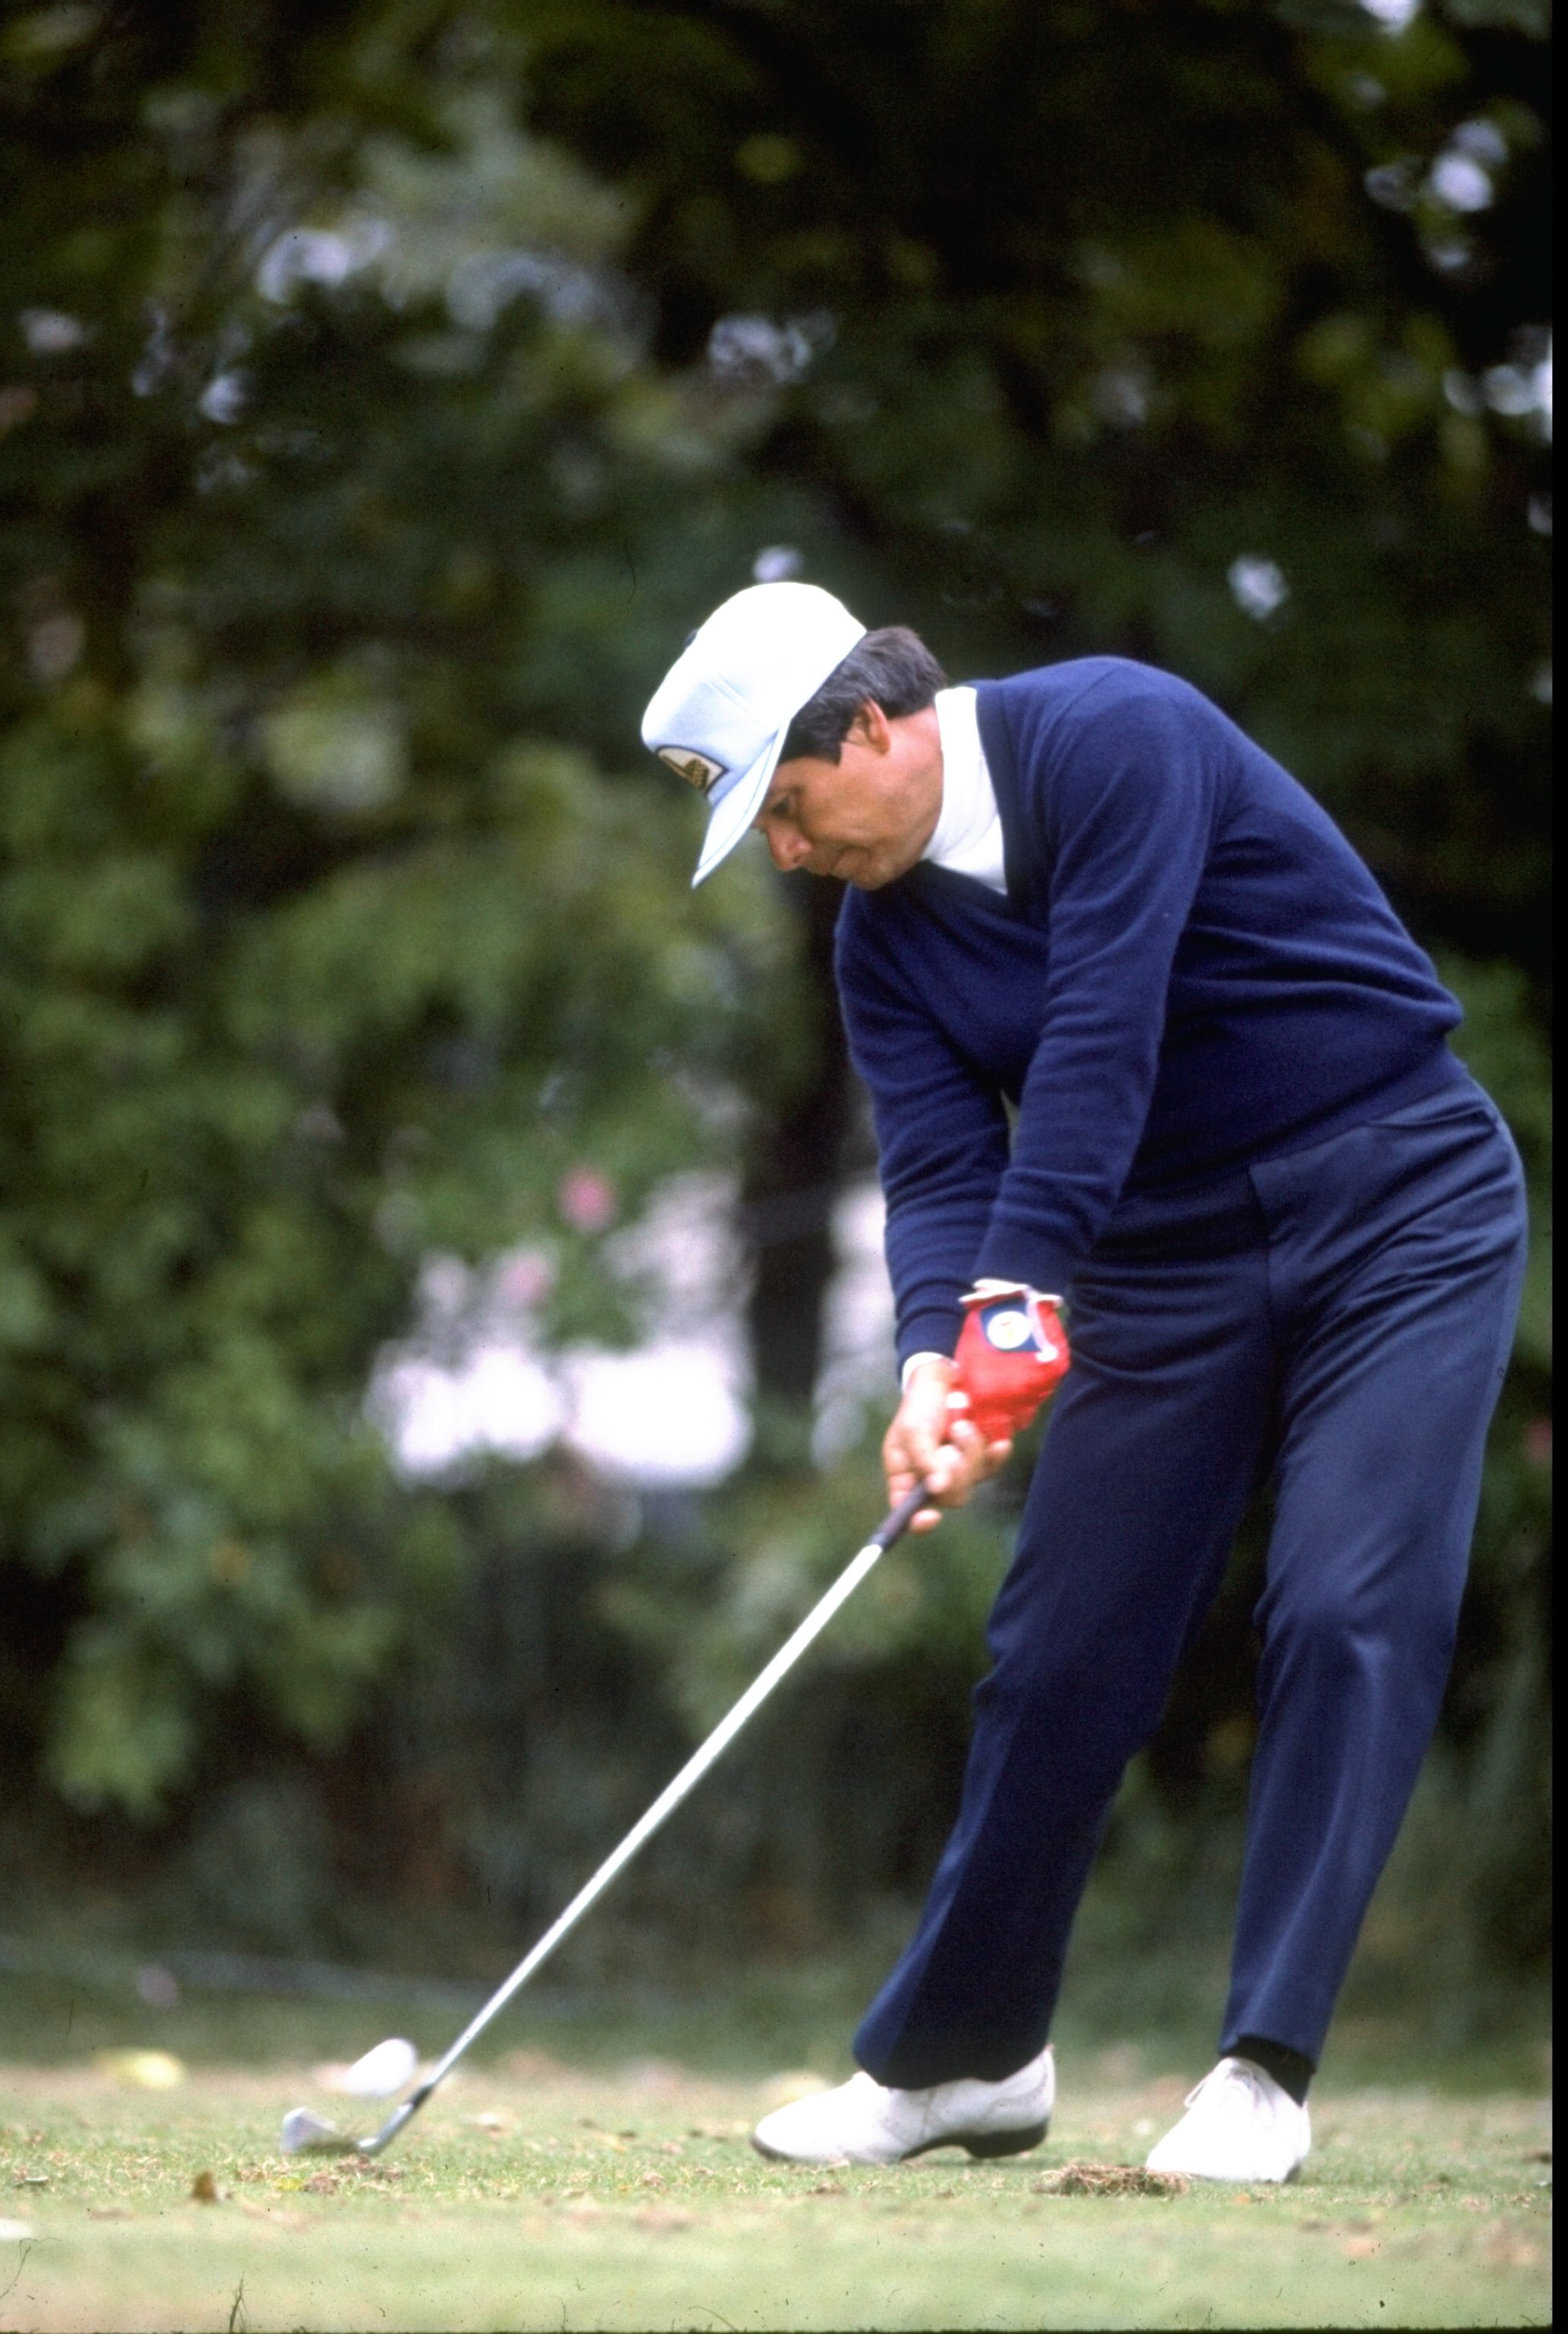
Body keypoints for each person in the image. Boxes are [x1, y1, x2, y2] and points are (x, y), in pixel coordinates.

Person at [640, 581, 1527, 2182]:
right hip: (1171, 1263)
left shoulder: (1117, 735)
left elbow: (1104, 1044)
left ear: (874, 727)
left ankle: (1261, 2073)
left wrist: (1016, 1303)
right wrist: (934, 1368)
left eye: (788, 805)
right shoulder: (881, 942)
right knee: (1058, 1649)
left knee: (1342, 1607)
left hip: (1400, 1202)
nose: (786, 851)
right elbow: (935, 1174)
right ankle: (969, 2056)